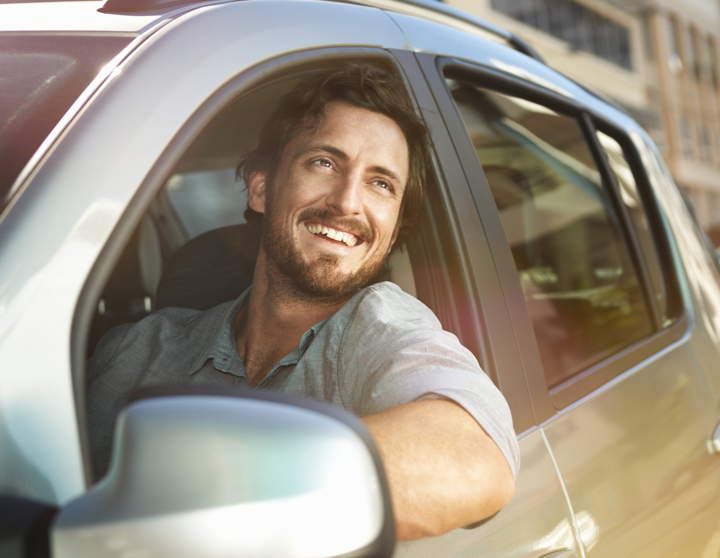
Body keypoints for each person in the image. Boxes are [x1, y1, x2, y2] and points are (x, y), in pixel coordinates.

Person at [87, 62, 519, 541]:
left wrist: (200, 493)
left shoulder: (380, 330)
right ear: (261, 188)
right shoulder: (139, 350)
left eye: (381, 183)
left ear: (394, 227)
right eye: (324, 163)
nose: (348, 202)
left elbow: (474, 458)